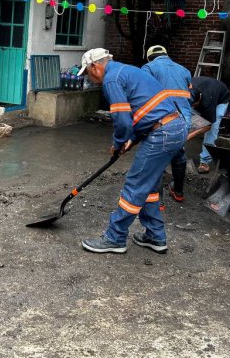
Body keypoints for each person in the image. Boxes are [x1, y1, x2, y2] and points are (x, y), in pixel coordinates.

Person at [79, 48, 187, 254]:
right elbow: (145, 113)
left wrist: (119, 143)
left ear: (95, 66)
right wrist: (130, 141)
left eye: (87, 73)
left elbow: (122, 120)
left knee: (136, 184)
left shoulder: (111, 79)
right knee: (149, 185)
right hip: (174, 127)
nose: (89, 78)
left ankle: (115, 237)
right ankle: (155, 236)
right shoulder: (126, 71)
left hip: (162, 132)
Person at [142, 45, 192, 202]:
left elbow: (143, 95)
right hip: (183, 120)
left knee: (157, 159)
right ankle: (178, 192)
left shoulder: (148, 68)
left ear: (150, 57)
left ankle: (159, 201)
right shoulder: (184, 70)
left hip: (162, 120)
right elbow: (190, 95)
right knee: (179, 154)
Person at [190, 76, 230, 173]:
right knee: (186, 121)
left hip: (221, 99)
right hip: (206, 89)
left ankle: (205, 161)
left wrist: (189, 135)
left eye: (194, 105)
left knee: (213, 128)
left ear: (199, 101)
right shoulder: (186, 91)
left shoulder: (208, 102)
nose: (193, 107)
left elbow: (208, 126)